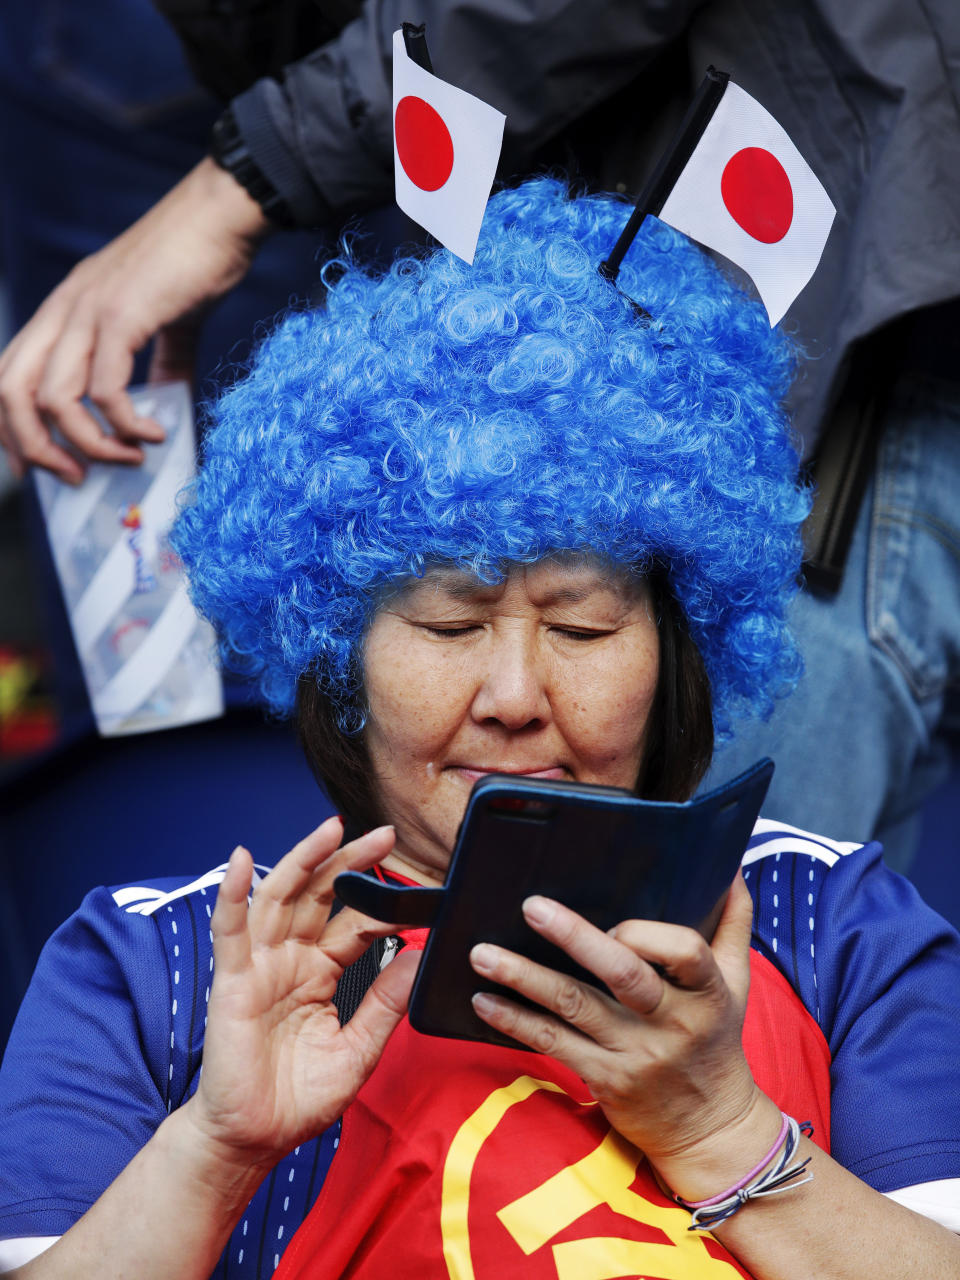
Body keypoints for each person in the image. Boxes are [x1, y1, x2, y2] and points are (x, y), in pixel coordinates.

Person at [1, 179, 958, 1279]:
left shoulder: (833, 926)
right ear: (340, 649)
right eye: (450, 621)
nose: (515, 693)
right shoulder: (162, 971)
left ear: (675, 645)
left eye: (584, 624)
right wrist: (214, 1151)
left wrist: (719, 1130)